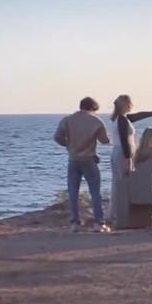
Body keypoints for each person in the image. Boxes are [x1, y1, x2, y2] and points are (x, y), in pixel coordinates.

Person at [54, 97, 111, 233]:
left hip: (73, 159)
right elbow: (105, 140)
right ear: (93, 108)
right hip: (89, 159)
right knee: (95, 192)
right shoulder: (96, 121)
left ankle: (75, 223)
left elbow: (57, 137)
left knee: (73, 192)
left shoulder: (67, 120)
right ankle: (99, 223)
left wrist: (68, 145)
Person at [109, 94, 152, 224]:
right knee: (122, 183)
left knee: (118, 183)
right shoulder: (121, 120)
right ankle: (118, 215)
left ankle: (115, 214)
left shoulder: (123, 118)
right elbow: (124, 139)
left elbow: (137, 116)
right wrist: (128, 158)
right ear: (125, 105)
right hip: (122, 153)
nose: (131, 106)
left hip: (120, 153)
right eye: (130, 103)